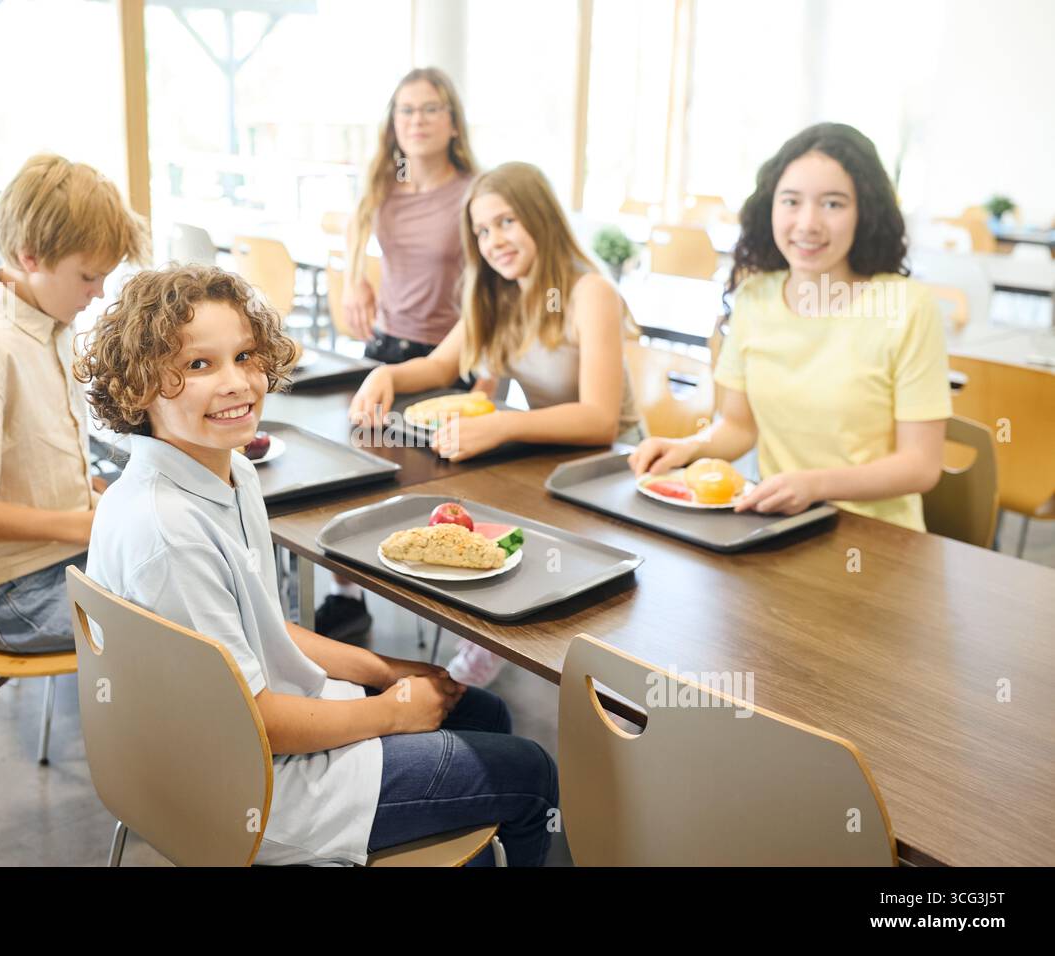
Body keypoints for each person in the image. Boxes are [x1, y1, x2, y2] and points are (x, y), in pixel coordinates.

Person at [74, 264, 559, 866]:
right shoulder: (168, 532)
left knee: (481, 709)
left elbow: (264, 630)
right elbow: (254, 720)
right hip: (256, 788)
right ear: (139, 386)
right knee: (531, 774)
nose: (236, 383)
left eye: (246, 356)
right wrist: (390, 710)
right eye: (200, 365)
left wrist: (383, 668)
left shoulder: (228, 472)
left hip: (248, 743)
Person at [349, 161, 643, 685]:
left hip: (609, 472)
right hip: (545, 457)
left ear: (540, 217)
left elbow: (600, 421)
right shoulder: (499, 292)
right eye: (482, 231)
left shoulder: (588, 292)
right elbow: (442, 365)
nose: (494, 241)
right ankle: (482, 638)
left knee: (507, 523)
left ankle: (486, 649)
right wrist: (387, 374)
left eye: (506, 222)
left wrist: (507, 426)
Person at [628, 123, 949, 532]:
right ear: (770, 209)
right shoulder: (754, 297)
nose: (808, 223)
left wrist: (815, 485)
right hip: (777, 526)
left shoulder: (908, 306)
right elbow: (739, 427)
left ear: (864, 213)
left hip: (878, 538)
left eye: (833, 204)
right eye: (791, 201)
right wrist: (685, 448)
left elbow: (921, 466)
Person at [0, 153, 150, 653]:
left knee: (191, 582)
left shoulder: (48, 319)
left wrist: (95, 496)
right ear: (29, 257)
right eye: (88, 276)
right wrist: (81, 523)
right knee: (183, 629)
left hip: (53, 562)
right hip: (7, 596)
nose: (99, 292)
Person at [316, 66, 480, 643]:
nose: (417, 120)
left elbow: (494, 282)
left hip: (445, 358)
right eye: (406, 110)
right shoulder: (387, 181)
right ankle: (346, 595)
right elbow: (355, 234)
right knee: (357, 474)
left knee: (428, 491)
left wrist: (478, 362)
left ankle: (456, 614)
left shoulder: (472, 192)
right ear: (393, 122)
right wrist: (355, 279)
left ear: (453, 121)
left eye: (431, 108)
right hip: (384, 349)